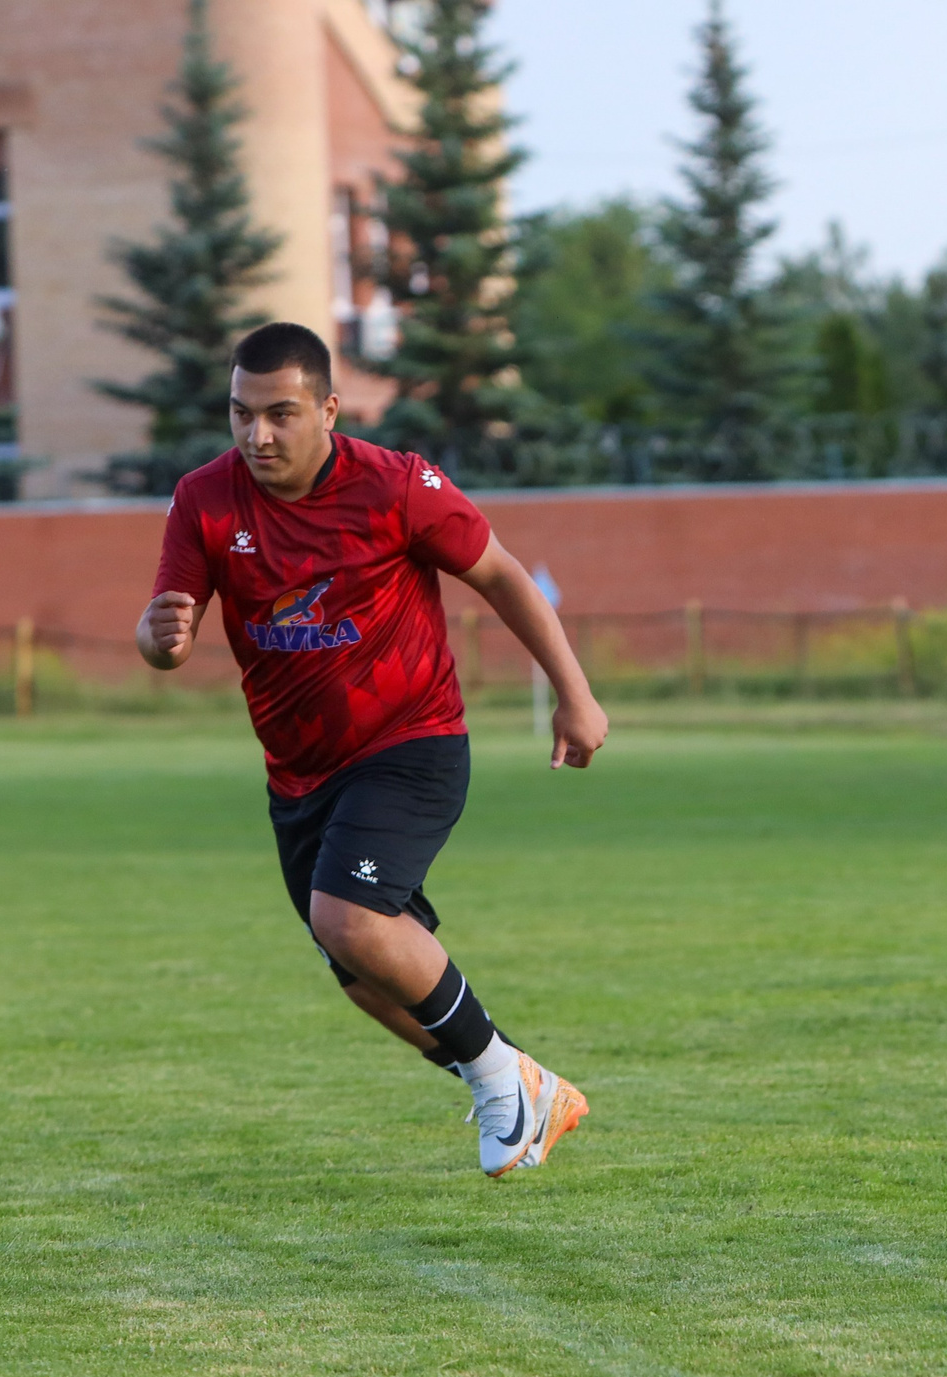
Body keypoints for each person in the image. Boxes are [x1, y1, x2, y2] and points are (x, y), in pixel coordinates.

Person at [134, 322, 606, 1178]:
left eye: (281, 413)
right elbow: (167, 634)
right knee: (360, 969)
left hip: (411, 740)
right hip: (299, 774)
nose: (258, 435)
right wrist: (157, 637)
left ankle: (507, 1082)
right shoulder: (204, 498)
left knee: (347, 918)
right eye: (242, 413)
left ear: (328, 410)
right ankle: (516, 1079)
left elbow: (500, 574)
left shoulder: (396, 485)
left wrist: (574, 694)